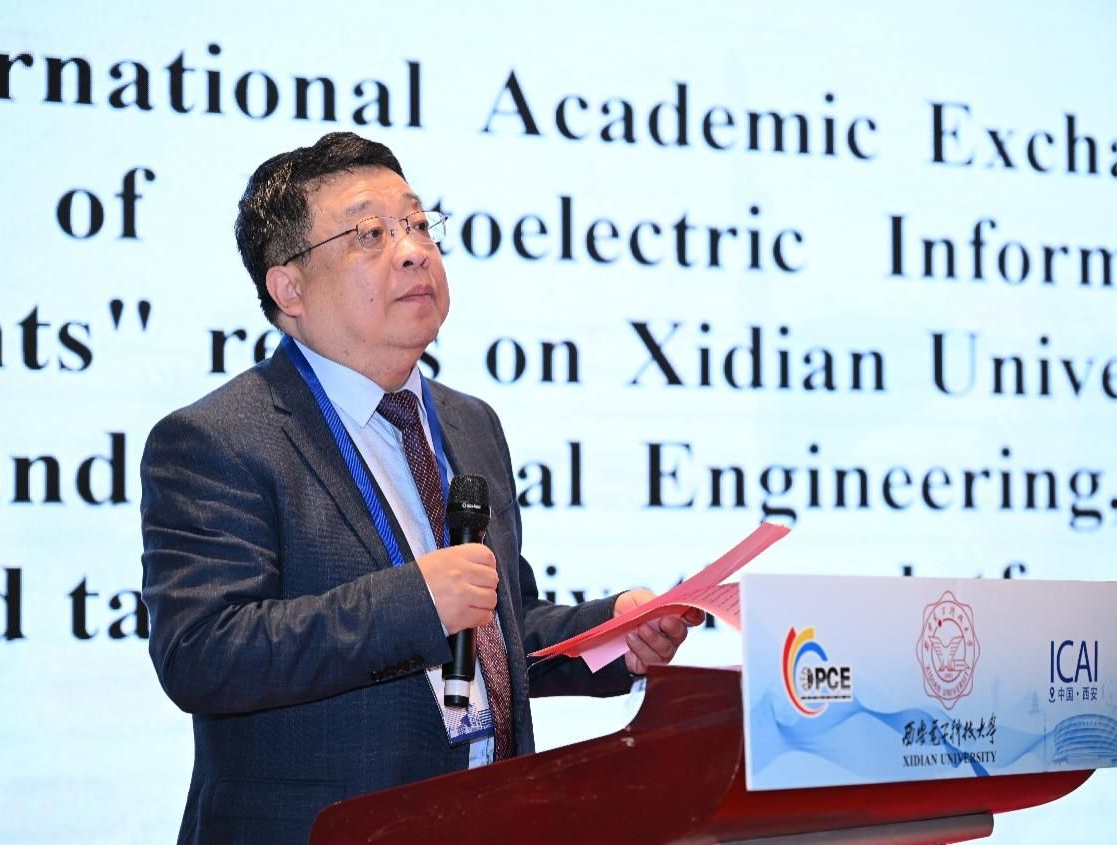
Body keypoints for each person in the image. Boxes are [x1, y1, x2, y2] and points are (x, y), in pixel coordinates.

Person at [139, 131, 702, 844]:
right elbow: (203, 653)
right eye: (369, 234)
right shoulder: (219, 438)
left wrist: (611, 636)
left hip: (489, 820)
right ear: (289, 289)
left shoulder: (469, 422)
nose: (412, 250)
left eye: (417, 223)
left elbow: (495, 628)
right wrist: (416, 601)